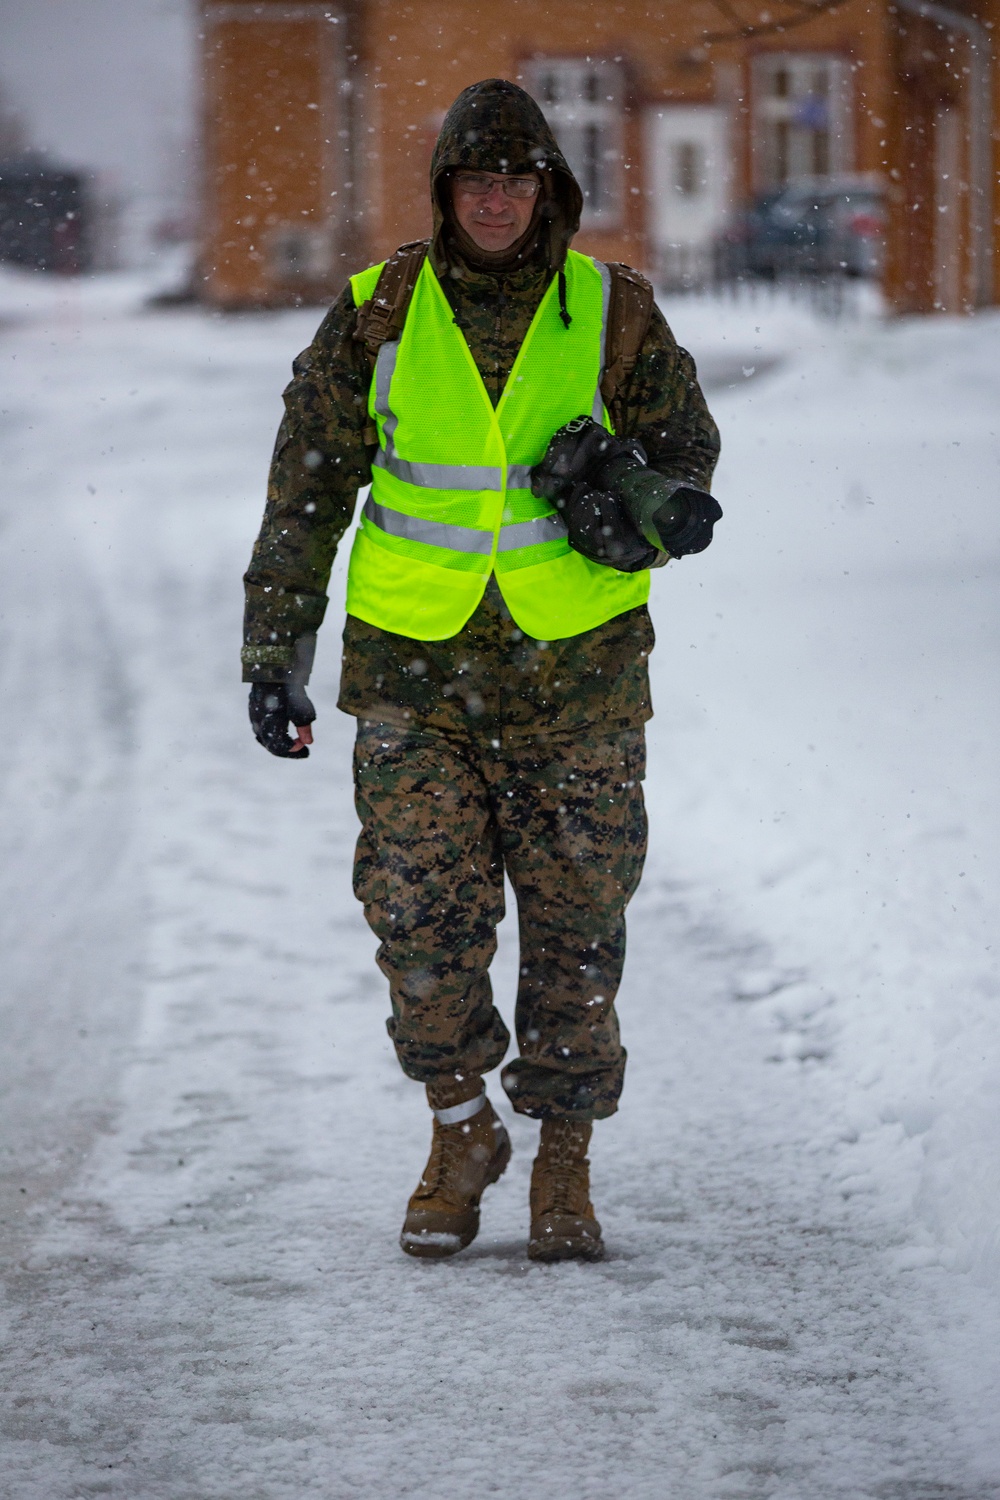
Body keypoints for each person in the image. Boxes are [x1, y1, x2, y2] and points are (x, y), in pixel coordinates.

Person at [242, 78, 720, 1262]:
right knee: (416, 921)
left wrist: (628, 498)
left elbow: (688, 459)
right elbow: (305, 493)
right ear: (446, 191)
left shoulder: (613, 311)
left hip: (582, 679)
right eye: (474, 178)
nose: (495, 198)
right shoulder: (376, 313)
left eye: (516, 178)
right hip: (414, 676)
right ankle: (461, 1129)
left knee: (577, 927)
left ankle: (563, 1160)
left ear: (548, 189)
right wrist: (274, 651)